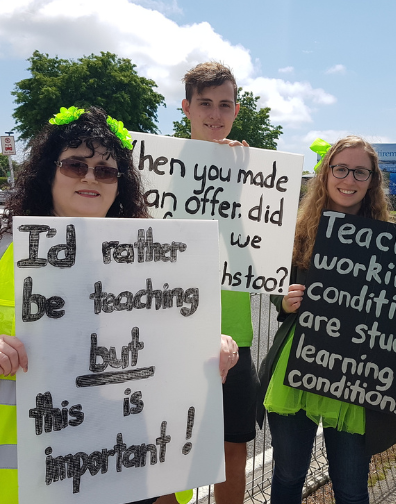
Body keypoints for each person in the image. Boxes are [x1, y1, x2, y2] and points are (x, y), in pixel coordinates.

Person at [0, 106, 240, 504]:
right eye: (76, 166)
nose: (91, 178)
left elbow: (169, 339)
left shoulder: (154, 253)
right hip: (18, 486)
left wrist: (209, 349)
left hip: (126, 467)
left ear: (120, 182)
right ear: (49, 171)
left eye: (106, 170)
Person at [258, 136, 396, 504]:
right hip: (299, 364)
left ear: (372, 181)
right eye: (340, 169)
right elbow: (274, 285)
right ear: (325, 174)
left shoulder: (392, 241)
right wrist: (284, 300)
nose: (349, 179)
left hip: (355, 373)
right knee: (289, 475)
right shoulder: (295, 231)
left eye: (360, 172)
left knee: (352, 485)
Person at [151, 61, 257, 504]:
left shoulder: (252, 170)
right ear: (186, 108)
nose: (216, 114)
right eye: (205, 104)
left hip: (236, 339)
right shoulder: (156, 170)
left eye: (225, 105)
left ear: (236, 110)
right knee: (167, 455)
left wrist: (241, 177)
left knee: (233, 453)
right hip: (169, 338)